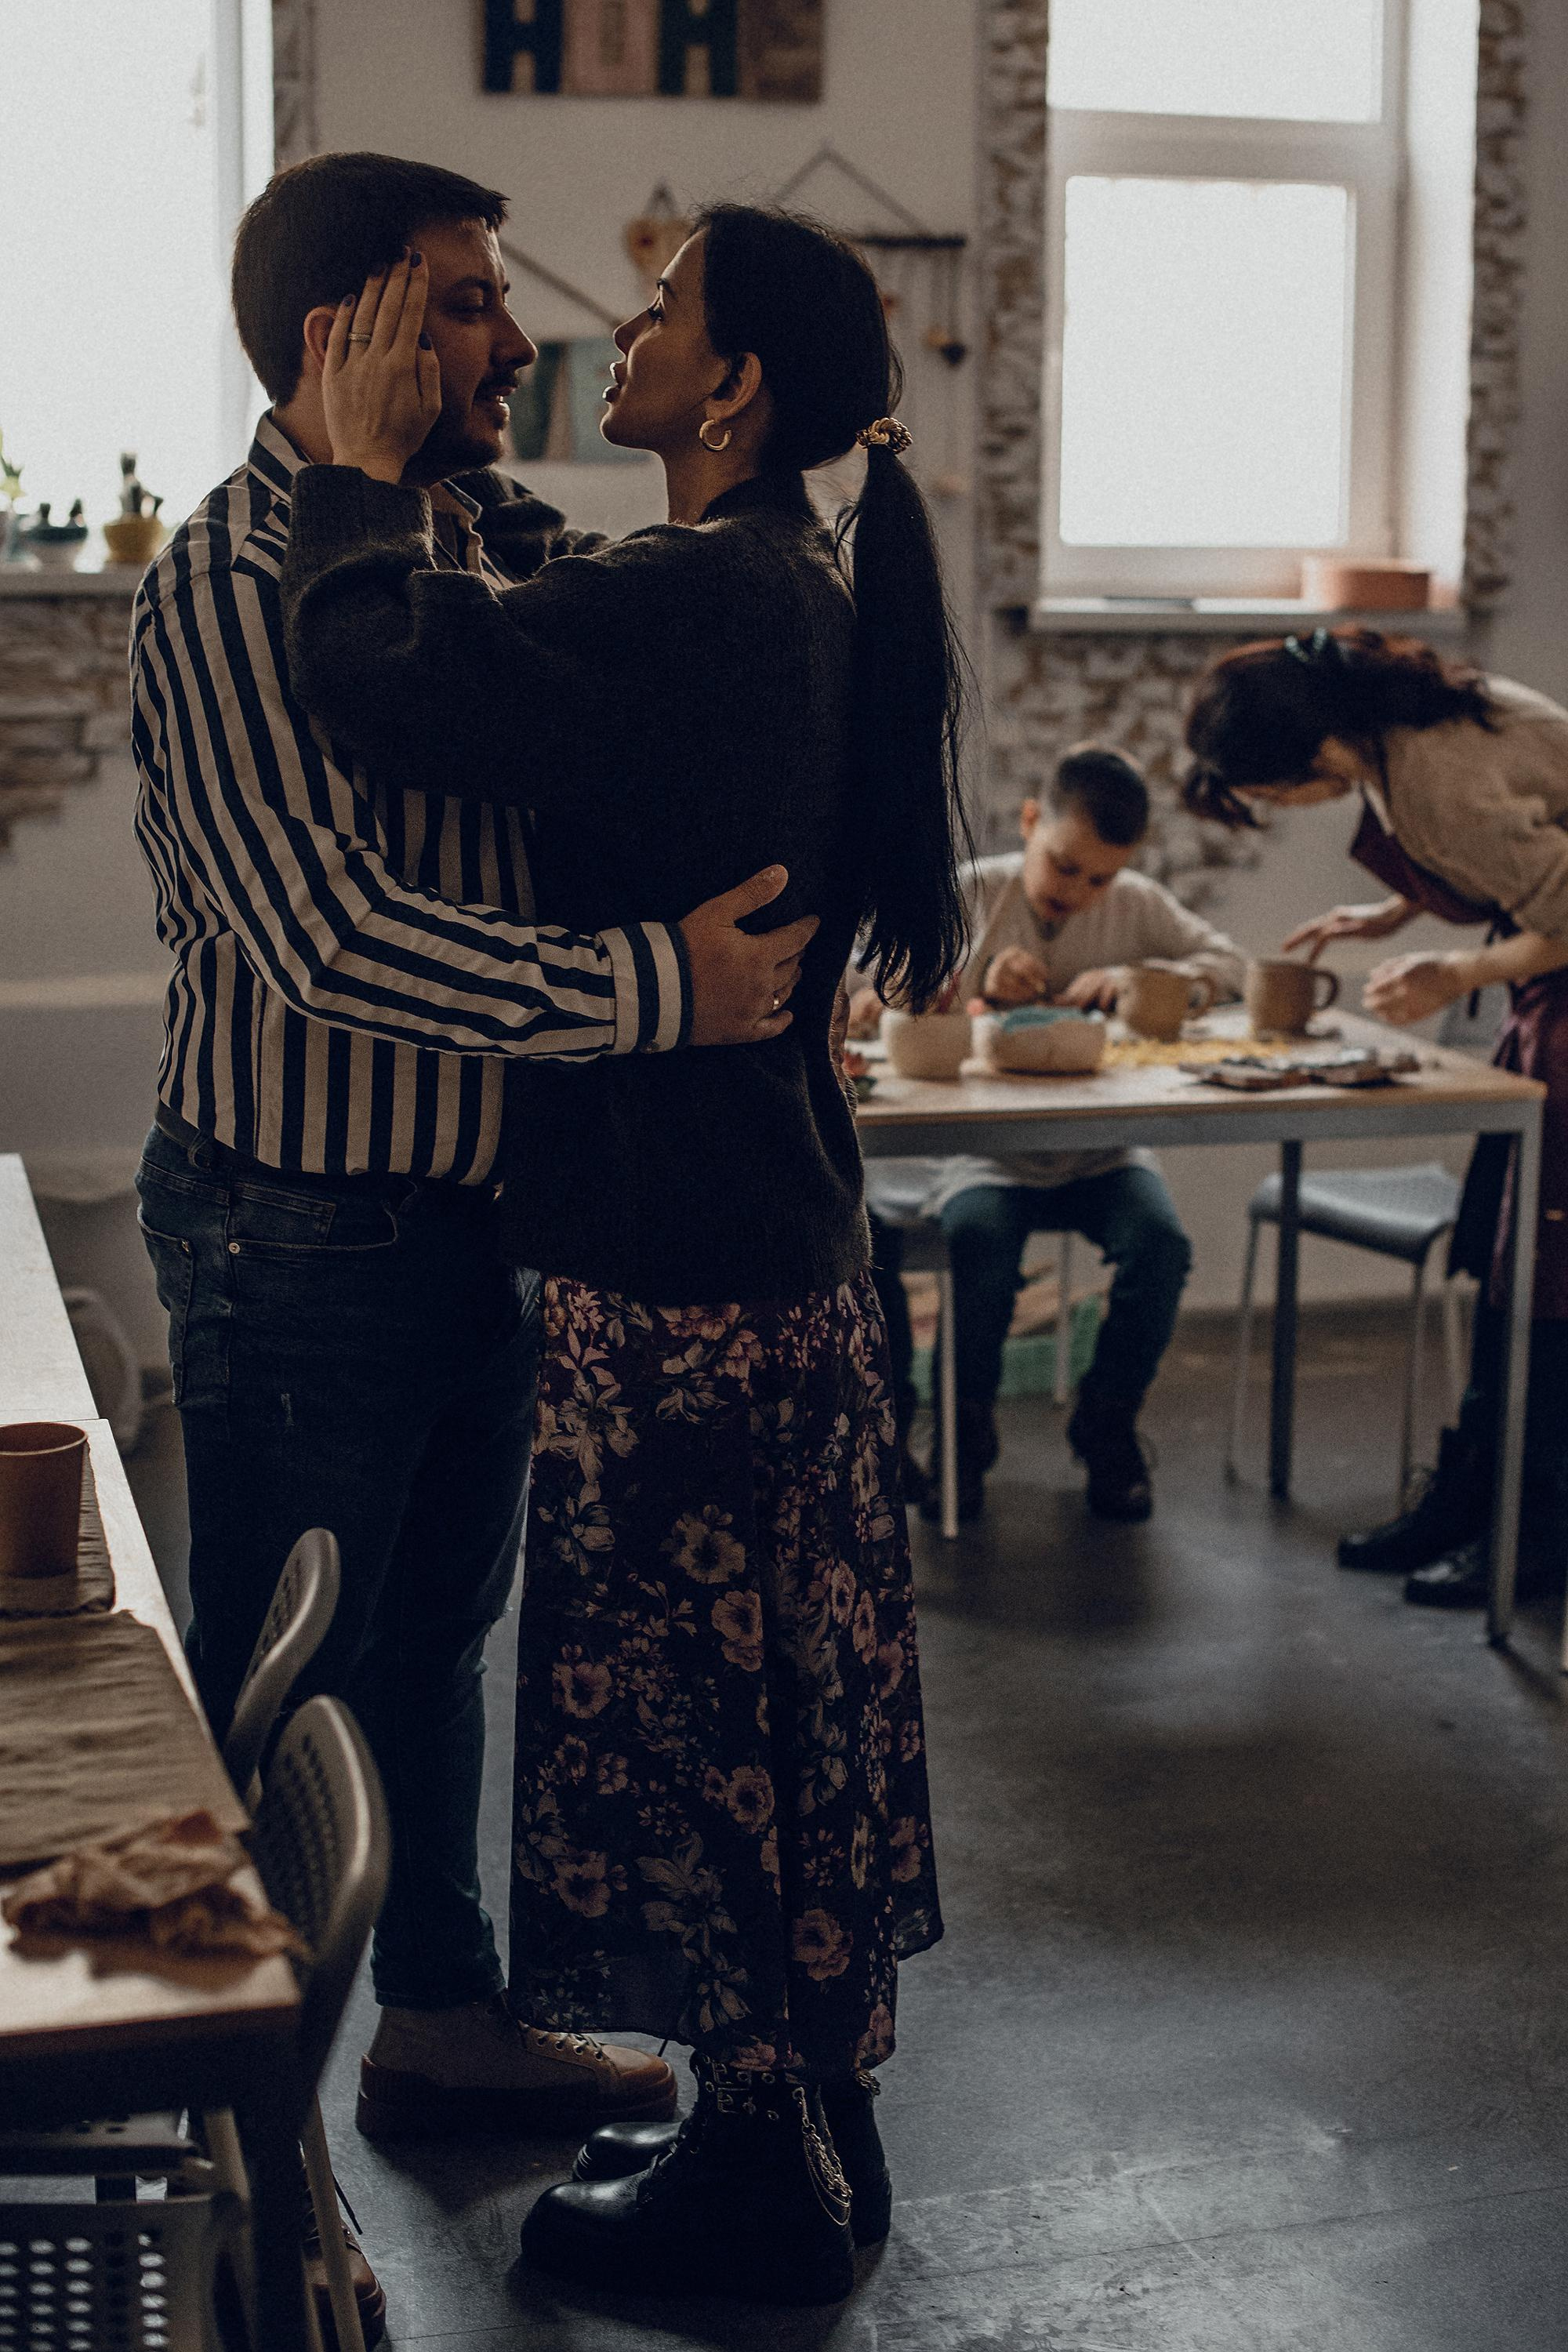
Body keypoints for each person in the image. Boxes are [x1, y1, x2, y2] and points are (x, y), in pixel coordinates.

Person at [130, 153, 819, 2334]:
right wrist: (658, 988)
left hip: (480, 1215)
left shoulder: (484, 538)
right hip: (296, 1226)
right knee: (285, 1690)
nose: (517, 342)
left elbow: (663, 662)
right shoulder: (222, 584)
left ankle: (435, 2021)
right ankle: (251, 2142)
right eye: (461, 303)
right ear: (338, 334)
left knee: (434, 1641)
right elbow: (329, 939)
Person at [278, 205, 964, 2307]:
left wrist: (349, 478)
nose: (614, 333)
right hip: (773, 1246)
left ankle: (758, 2187)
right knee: (774, 1699)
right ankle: (806, 2117)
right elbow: (547, 610)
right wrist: (458, 495)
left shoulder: (697, 592)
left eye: (662, 314)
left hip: (682, 1271)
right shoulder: (781, 577)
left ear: (730, 386)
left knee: (694, 1716)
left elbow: (380, 675)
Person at [1184, 627, 1568, 1609]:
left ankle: (1531, 1532)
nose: (1282, 810)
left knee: (1547, 1277)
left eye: (1272, 795)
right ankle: (1472, 1496)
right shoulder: (1393, 733)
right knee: (1506, 1263)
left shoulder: (1438, 778)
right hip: (1549, 987)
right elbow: (1515, 839)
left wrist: (1455, 971)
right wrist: (1389, 915)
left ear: (1314, 752)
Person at [852, 746, 1244, 1523]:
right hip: (987, 1155)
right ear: (1030, 822)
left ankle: (1106, 1426)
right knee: (979, 1247)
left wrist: (1140, 980)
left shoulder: (1134, 904)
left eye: (1099, 879)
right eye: (1065, 867)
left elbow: (1228, 965)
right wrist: (972, 979)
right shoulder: (971, 893)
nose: (1079, 893)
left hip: (1103, 1149)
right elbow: (869, 984)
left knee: (1160, 1247)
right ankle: (964, 1434)